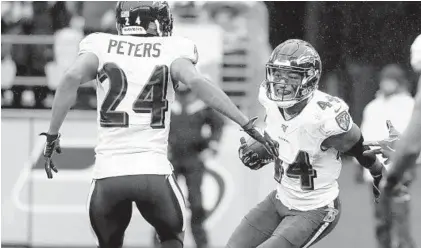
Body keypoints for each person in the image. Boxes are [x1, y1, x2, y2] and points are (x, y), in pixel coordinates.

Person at [39, 2, 278, 248]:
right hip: (152, 172)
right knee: (172, 239)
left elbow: (70, 77)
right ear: (153, 21)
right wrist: (245, 124)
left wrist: (52, 135)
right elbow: (196, 82)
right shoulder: (172, 48)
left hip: (108, 175)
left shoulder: (99, 44)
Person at [227, 39, 386, 248]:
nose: (282, 83)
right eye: (278, 75)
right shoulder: (269, 100)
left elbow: (357, 146)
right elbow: (283, 136)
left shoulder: (323, 117)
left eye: (292, 76)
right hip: (280, 198)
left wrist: (378, 172)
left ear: (310, 79)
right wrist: (263, 147)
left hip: (316, 208)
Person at [364, 34, 421, 248]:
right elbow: (366, 135)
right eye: (384, 79)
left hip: (399, 170)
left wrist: (408, 166)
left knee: (400, 217)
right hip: (376, 171)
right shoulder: (373, 106)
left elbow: (412, 139)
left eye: (391, 79)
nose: (387, 84)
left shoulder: (408, 103)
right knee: (381, 219)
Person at [153, 84, 225, 248]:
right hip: (170, 159)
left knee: (196, 203)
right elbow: (152, 125)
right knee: (164, 202)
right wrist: (159, 147)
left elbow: (218, 123)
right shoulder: (166, 104)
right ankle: (159, 242)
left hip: (193, 158)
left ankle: (202, 243)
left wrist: (212, 145)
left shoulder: (201, 105)